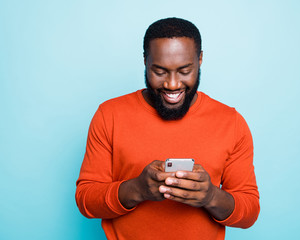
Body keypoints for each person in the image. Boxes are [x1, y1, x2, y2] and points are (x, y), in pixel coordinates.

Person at [76, 17, 260, 240]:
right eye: (160, 71)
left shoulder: (231, 122)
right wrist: (137, 189)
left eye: (184, 71)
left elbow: (249, 213)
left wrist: (210, 196)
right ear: (145, 61)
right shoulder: (109, 115)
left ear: (200, 59)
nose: (172, 84)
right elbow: (86, 201)